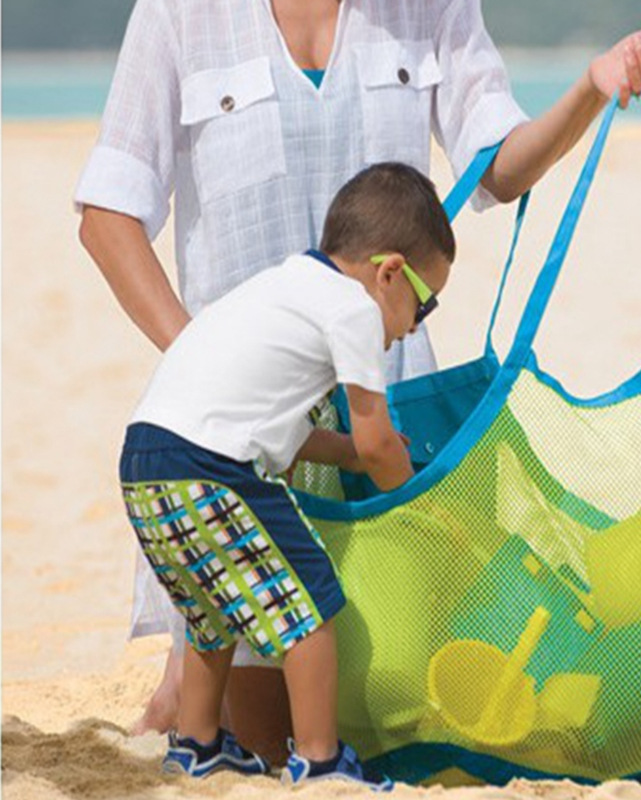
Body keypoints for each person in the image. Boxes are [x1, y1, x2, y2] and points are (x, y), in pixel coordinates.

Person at [76, 0, 641, 760]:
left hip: (380, 422)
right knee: (268, 731)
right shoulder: (178, 14)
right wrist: (204, 358)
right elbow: (107, 214)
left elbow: (498, 164)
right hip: (243, 453)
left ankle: (195, 701)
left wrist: (592, 85)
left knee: (395, 714)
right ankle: (200, 702)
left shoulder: (431, 6)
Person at [119, 162, 454, 788]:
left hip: (146, 461)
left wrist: (347, 453)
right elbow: (378, 440)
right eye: (423, 303)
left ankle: (197, 744)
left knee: (212, 609)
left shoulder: (286, 285)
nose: (414, 326)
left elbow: (286, 434)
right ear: (388, 273)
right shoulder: (354, 309)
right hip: (211, 468)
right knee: (311, 601)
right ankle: (321, 759)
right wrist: (414, 500)